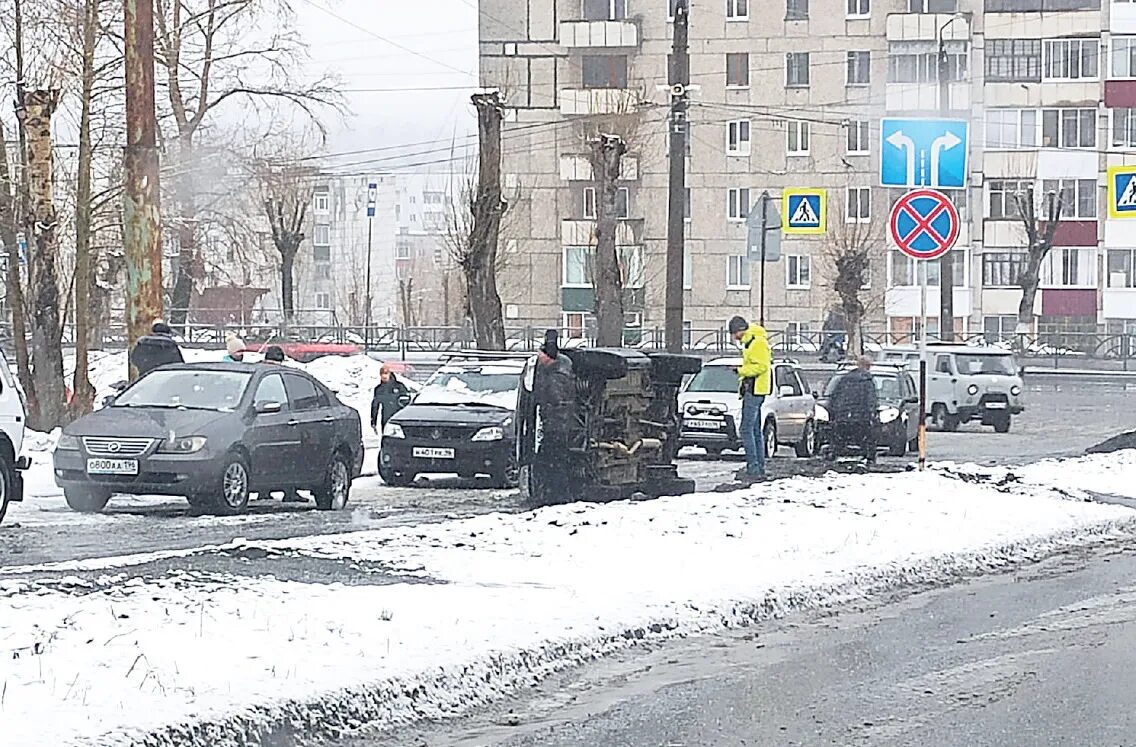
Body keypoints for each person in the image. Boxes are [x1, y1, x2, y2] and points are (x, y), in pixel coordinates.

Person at [532, 329, 576, 503]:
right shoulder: (561, 368)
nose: (538, 358)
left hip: (556, 426)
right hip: (559, 425)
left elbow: (556, 399)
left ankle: (556, 495)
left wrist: (548, 409)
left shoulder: (554, 376)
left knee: (553, 461)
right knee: (556, 461)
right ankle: (558, 494)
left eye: (541, 355)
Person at [729, 315, 772, 483]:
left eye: (734, 334)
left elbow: (761, 366)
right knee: (755, 431)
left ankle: (753, 468)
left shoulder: (756, 342)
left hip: (755, 390)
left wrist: (741, 370)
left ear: (740, 330)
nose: (734, 338)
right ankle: (758, 467)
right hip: (755, 389)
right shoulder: (751, 341)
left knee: (747, 430)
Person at [828, 356, 879, 463]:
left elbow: (834, 397)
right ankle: (867, 458)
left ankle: (835, 455)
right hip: (861, 417)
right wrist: (872, 413)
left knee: (839, 439)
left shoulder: (844, 379)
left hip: (842, 416)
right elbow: (871, 400)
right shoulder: (867, 381)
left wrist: (835, 413)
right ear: (867, 366)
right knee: (867, 440)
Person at [370, 363, 411, 431]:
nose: (384, 376)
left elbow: (407, 401)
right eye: (382, 374)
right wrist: (373, 421)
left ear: (390, 374)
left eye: (386, 373)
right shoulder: (379, 389)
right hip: (386, 418)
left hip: (398, 417)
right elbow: (375, 406)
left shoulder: (399, 386)